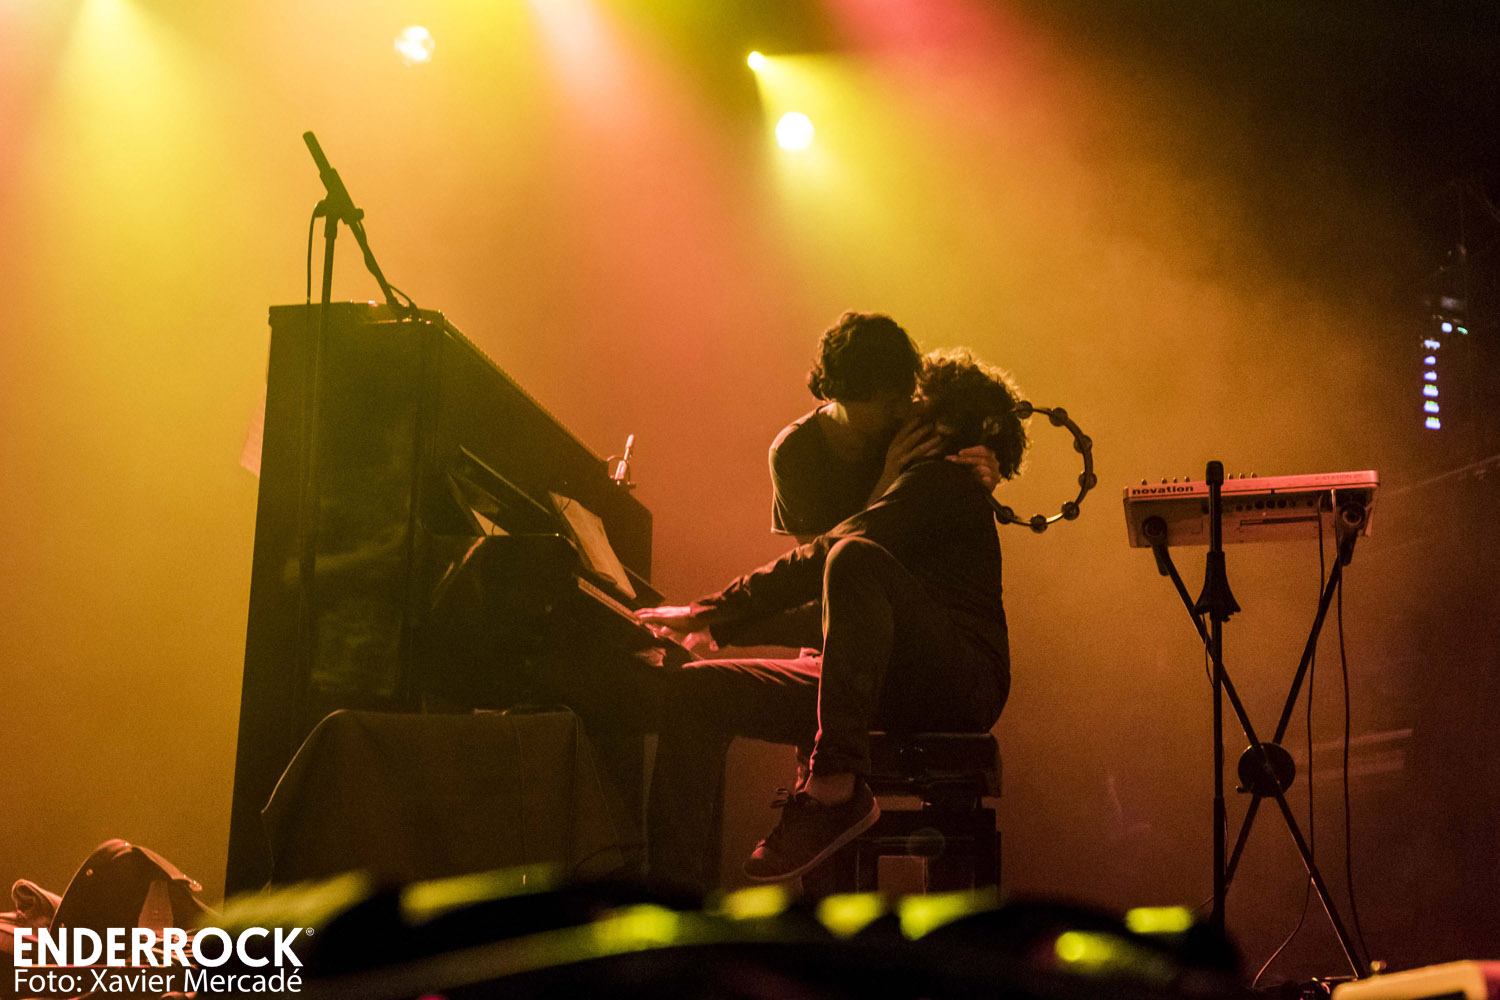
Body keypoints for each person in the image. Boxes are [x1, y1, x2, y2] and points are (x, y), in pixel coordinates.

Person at [638, 348, 1028, 888]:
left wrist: (714, 609)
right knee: (694, 693)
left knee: (851, 555)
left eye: (915, 402)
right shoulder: (906, 484)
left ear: (938, 426)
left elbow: (828, 555)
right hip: (878, 680)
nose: (901, 410)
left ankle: (833, 789)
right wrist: (715, 627)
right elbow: (843, 618)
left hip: (957, 685)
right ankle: (673, 900)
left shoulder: (944, 483)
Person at [771, 312, 1001, 544]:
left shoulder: (915, 423)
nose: (902, 411)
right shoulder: (793, 451)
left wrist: (982, 478)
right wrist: (890, 481)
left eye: (906, 397)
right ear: (844, 397)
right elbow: (818, 559)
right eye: (890, 403)